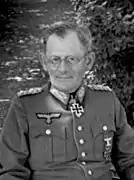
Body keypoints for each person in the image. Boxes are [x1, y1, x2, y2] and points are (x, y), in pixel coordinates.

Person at [0, 21, 134, 180]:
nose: (62, 69)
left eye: (71, 59)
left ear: (88, 61)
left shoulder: (107, 100)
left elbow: (129, 159)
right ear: (44, 62)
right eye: (55, 60)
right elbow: (11, 172)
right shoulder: (25, 107)